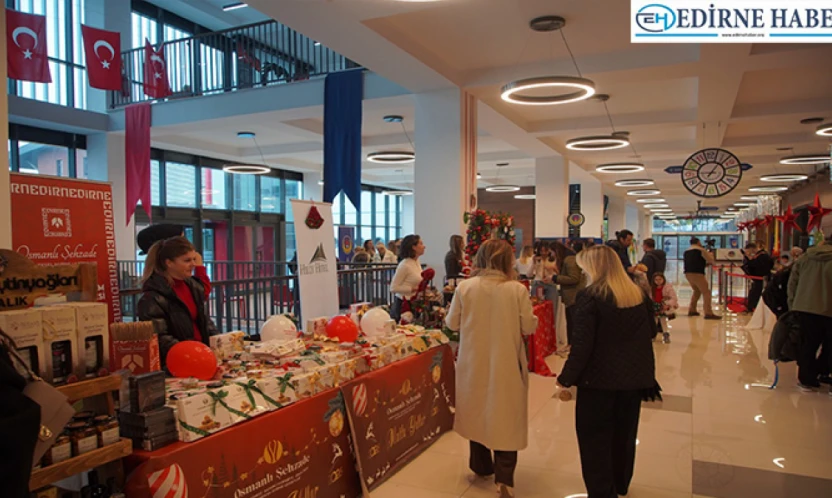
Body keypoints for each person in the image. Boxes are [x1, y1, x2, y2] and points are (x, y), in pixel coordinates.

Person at [557, 245, 660, 498]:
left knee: (594, 440)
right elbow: (651, 332)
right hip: (633, 378)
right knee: (624, 435)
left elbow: (582, 346)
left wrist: (565, 379)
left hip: (598, 381)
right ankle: (621, 483)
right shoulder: (636, 294)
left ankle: (602, 492)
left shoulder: (591, 296)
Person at [445, 240, 538, 498]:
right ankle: (505, 479)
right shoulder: (516, 290)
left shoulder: (465, 287)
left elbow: (452, 323)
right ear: (508, 261)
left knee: (476, 410)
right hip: (506, 362)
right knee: (506, 415)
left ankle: (481, 466)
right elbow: (529, 327)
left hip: (474, 361)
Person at [138, 236, 217, 368]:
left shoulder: (192, 286)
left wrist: (218, 342)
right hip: (180, 362)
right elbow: (160, 338)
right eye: (187, 260)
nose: (194, 264)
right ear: (168, 263)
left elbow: (204, 320)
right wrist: (190, 354)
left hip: (201, 356)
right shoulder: (152, 298)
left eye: (194, 259)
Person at [787, 234, 832, 391]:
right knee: (829, 345)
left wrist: (792, 304)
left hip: (805, 306)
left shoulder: (805, 258)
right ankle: (824, 372)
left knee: (808, 344)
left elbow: (792, 283)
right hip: (828, 308)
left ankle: (806, 378)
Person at [551, 241, 586, 351]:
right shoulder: (571, 259)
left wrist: (555, 278)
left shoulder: (569, 260)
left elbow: (574, 278)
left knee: (573, 322)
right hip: (571, 297)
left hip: (573, 296)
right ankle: (571, 344)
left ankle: (574, 345)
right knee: (570, 322)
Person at [390, 234, 427, 321]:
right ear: (413, 247)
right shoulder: (404, 265)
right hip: (403, 305)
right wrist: (411, 289)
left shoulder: (416, 261)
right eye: (421, 244)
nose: (424, 246)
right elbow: (393, 287)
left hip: (413, 303)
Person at [684, 237, 720, 320]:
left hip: (688, 273)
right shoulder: (701, 250)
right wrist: (711, 255)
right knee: (706, 292)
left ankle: (692, 309)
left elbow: (694, 262)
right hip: (698, 274)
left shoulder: (686, 251)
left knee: (697, 291)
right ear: (698, 242)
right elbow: (711, 260)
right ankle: (708, 313)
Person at [742, 242, 774, 313]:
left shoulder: (762, 256)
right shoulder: (762, 256)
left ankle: (753, 307)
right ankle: (752, 307)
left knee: (756, 293)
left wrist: (749, 260)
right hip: (759, 278)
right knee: (753, 292)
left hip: (761, 278)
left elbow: (757, 266)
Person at [532, 241, 559, 317]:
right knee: (536, 308)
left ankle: (551, 326)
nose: (544, 253)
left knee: (552, 309)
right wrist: (533, 263)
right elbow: (529, 274)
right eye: (541, 251)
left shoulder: (553, 259)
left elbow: (559, 274)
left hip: (550, 284)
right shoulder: (536, 259)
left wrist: (553, 269)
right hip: (538, 283)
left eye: (546, 251)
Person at [651, 272, 678, 344]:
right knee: (654, 321)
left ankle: (666, 334)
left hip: (663, 306)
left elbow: (673, 298)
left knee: (663, 321)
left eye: (660, 279)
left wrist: (668, 304)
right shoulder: (652, 289)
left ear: (663, 279)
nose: (658, 281)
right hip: (655, 306)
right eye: (656, 280)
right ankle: (653, 334)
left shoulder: (667, 288)